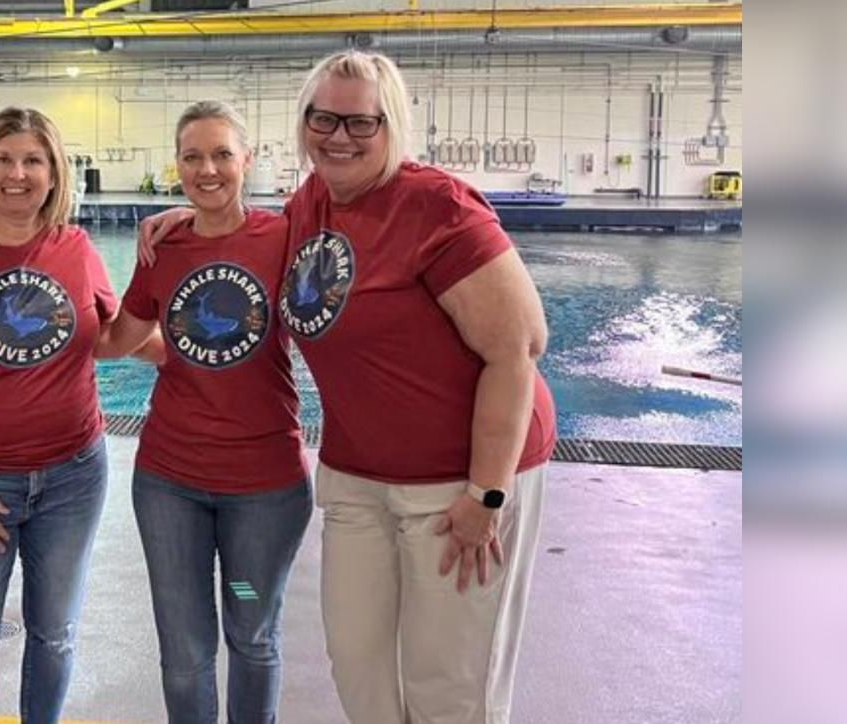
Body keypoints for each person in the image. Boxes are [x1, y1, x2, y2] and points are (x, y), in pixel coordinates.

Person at [142, 51, 556, 724]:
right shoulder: (309, 205)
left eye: (361, 122)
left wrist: (487, 493)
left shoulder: (436, 206)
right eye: (322, 118)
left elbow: (519, 350)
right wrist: (183, 220)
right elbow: (243, 239)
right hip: (357, 475)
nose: (339, 136)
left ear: (392, 123)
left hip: (462, 478)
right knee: (357, 663)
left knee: (446, 684)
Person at [0, 107, 151, 724]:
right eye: (4, 159)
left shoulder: (76, 247)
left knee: (55, 634)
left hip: (73, 477)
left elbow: (108, 336)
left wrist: (201, 360)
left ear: (53, 172)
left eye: (33, 160)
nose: (18, 174)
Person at [99, 100, 311, 724]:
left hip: (264, 492)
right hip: (172, 487)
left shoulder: (285, 238)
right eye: (193, 156)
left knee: (251, 633)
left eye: (222, 154)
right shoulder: (163, 249)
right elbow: (119, 338)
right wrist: (52, 321)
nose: (208, 169)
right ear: (178, 166)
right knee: (186, 652)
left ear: (248, 161)